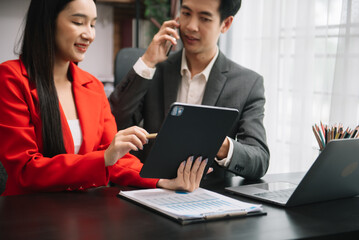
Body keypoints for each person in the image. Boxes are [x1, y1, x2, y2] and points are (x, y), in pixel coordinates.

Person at [0, 0, 208, 196]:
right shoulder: (11, 78)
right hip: (28, 215)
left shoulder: (92, 85)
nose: (89, 34)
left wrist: (161, 181)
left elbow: (115, 158)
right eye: (78, 22)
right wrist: (104, 158)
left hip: (83, 214)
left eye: (93, 24)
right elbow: (25, 170)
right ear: (48, 22)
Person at [109, 0, 270, 180]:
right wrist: (147, 61)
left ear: (225, 24)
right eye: (186, 14)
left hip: (209, 199)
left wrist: (220, 144)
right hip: (149, 189)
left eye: (204, 18)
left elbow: (259, 160)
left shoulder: (247, 84)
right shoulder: (155, 70)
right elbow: (112, 124)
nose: (191, 26)